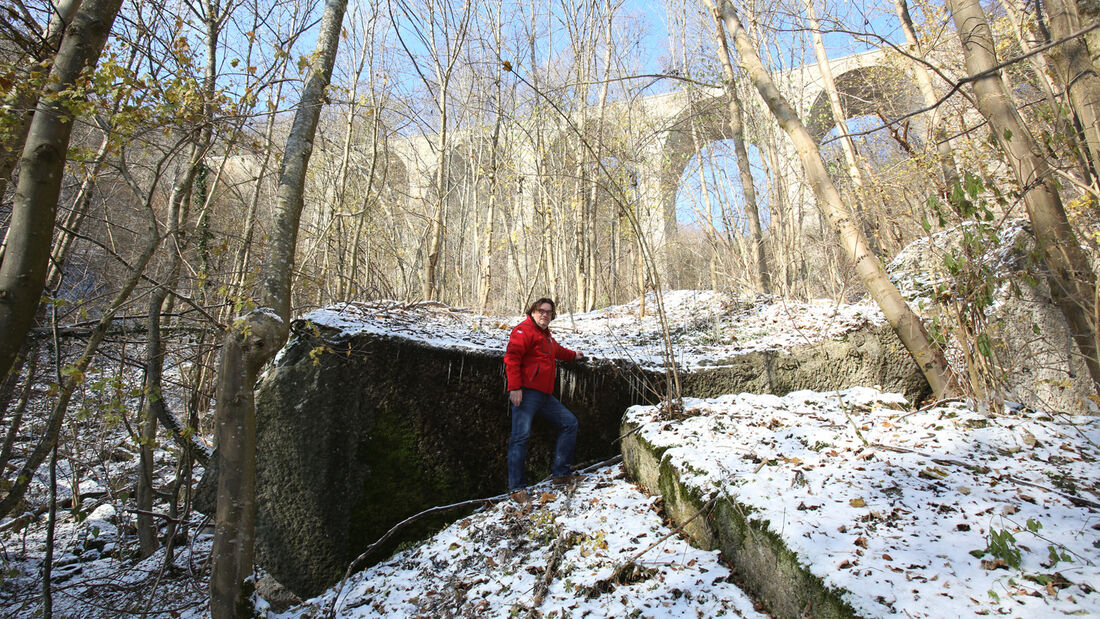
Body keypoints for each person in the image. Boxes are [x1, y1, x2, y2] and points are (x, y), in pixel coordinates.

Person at [504, 297, 585, 503]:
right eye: (541, 311)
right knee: (520, 437)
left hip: (544, 396)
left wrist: (574, 355)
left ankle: (560, 475)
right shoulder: (523, 331)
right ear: (532, 312)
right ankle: (517, 488)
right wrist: (514, 387)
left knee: (569, 423)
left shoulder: (546, 336)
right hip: (527, 393)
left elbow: (558, 352)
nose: (545, 315)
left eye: (549, 312)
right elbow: (512, 358)